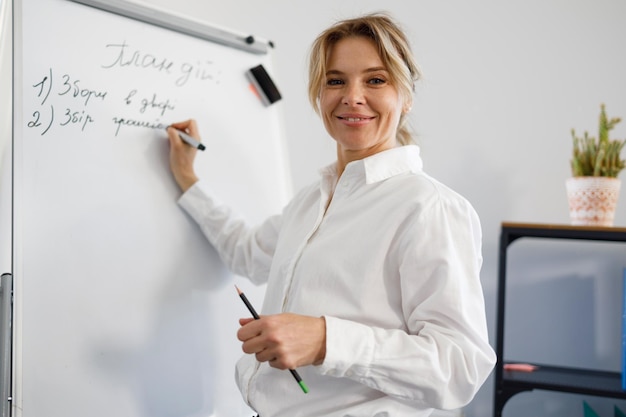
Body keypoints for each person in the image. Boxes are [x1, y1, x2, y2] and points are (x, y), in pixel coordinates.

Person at [166, 12, 495, 417]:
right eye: (335, 80)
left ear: (406, 97)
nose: (352, 96)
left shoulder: (430, 209)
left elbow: (460, 367)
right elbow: (245, 253)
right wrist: (187, 178)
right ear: (318, 95)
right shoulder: (311, 201)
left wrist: (326, 340)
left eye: (376, 80)